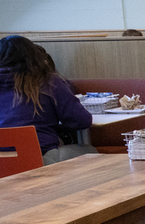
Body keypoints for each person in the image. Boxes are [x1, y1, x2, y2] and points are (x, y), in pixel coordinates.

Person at [0, 35, 96, 165]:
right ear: (34, 57)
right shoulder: (49, 82)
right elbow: (81, 121)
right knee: (90, 152)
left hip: (3, 163)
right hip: (39, 158)